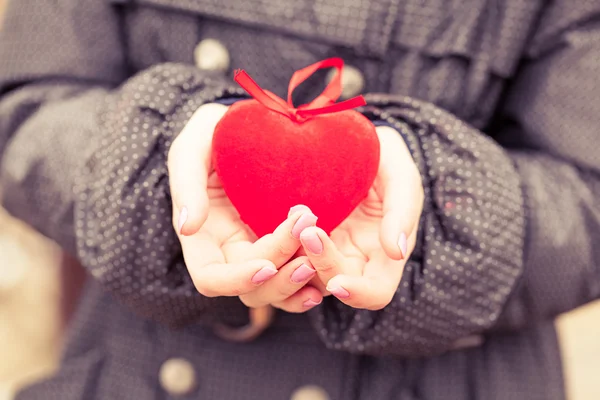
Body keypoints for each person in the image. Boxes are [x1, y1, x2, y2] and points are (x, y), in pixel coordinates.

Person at [0, 0, 598, 399]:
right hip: (137, 367)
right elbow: (25, 104)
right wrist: (161, 176)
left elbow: (587, 195)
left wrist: (422, 211)